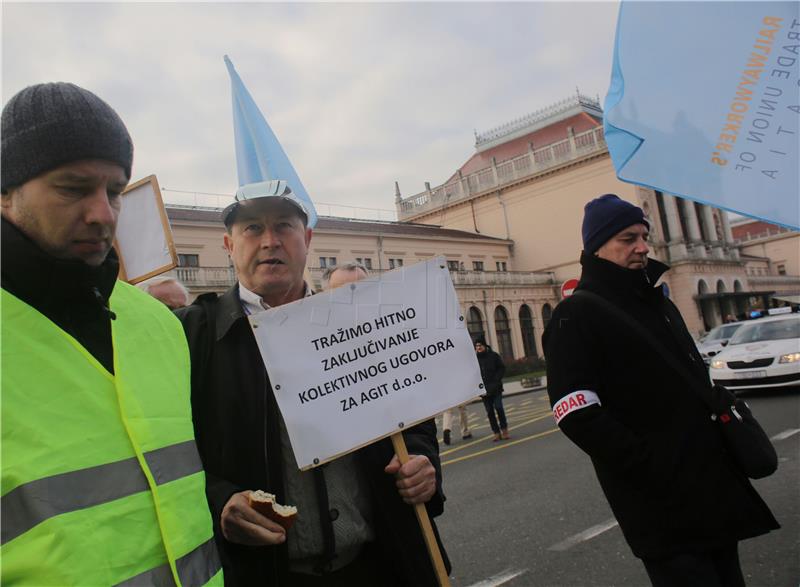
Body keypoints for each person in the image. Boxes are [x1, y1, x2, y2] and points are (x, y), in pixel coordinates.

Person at [1, 82, 221, 585]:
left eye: (115, 191)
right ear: (6, 191)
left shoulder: (160, 326)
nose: (103, 214)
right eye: (73, 188)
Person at [176, 188, 450, 586]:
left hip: (380, 565)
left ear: (306, 241)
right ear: (228, 245)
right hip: (267, 574)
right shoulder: (193, 336)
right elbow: (172, 453)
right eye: (253, 228)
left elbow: (411, 416)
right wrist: (219, 502)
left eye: (284, 226)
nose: (270, 241)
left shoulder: (356, 323)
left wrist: (425, 462)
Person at [543, 194, 779, 586]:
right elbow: (575, 411)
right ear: (597, 245)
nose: (641, 247)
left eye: (643, 236)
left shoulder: (657, 301)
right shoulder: (576, 314)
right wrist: (652, 467)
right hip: (661, 498)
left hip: (710, 481)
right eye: (627, 238)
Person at [476, 338, 510, 441]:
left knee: (499, 407)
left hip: (496, 388)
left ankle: (504, 430)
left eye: (480, 346)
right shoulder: (475, 359)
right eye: (476, 346)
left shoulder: (493, 356)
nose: (478, 348)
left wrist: (497, 380)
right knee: (489, 411)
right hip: (484, 391)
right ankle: (496, 432)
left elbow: (501, 368)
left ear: (485, 346)